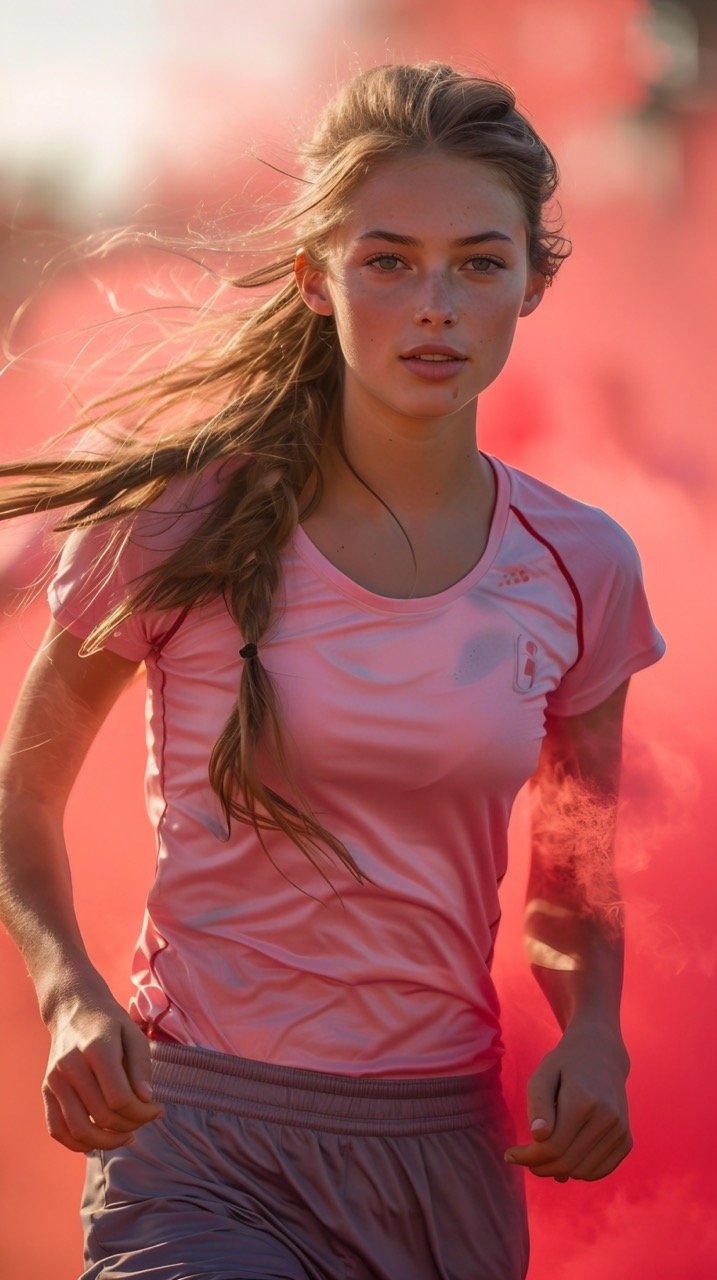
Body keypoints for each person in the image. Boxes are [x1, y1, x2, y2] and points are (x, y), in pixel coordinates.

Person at [0, 62, 664, 1280]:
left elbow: (574, 878)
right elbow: (21, 794)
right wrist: (71, 993)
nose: (436, 306)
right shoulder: (174, 522)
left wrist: (596, 1029)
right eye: (388, 259)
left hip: (444, 1158)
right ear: (315, 275)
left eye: (479, 261)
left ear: (532, 280)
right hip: (197, 1142)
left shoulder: (583, 565)